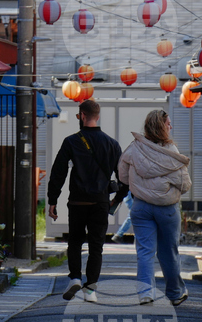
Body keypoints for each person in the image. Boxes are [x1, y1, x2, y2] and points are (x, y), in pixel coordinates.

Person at [47, 99, 122, 303]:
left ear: (82, 115)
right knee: (96, 246)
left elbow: (58, 172)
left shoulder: (71, 141)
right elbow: (123, 176)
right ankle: (90, 290)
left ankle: (74, 278)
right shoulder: (112, 144)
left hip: (77, 202)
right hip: (100, 202)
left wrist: (52, 200)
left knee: (75, 241)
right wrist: (118, 198)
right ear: (98, 117)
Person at [118, 109, 191, 306]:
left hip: (141, 206)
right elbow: (185, 184)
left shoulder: (135, 148)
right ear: (161, 127)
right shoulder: (172, 152)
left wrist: (139, 184)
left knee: (144, 251)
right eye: (168, 123)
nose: (171, 126)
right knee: (168, 252)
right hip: (167, 208)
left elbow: (123, 176)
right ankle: (175, 293)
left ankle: (145, 293)